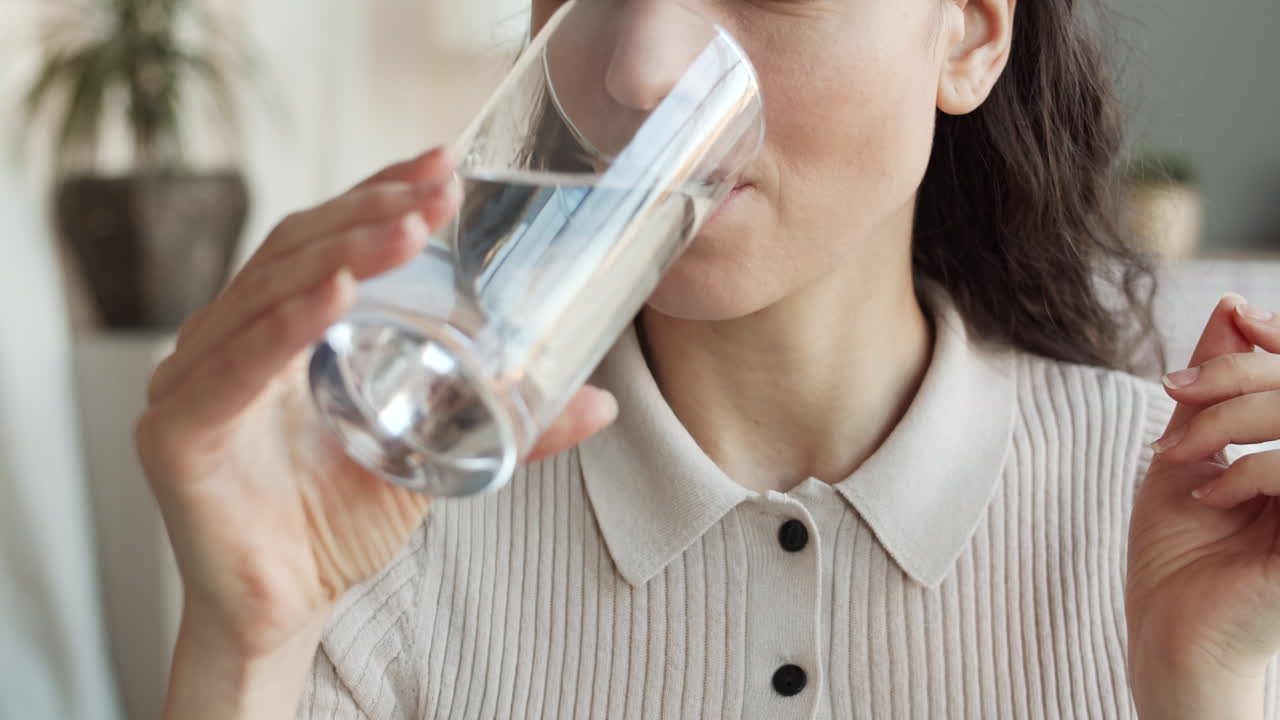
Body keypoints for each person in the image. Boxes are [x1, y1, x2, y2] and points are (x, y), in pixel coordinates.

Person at [136, 0, 1280, 717]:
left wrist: (1201, 701)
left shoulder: (1186, 517)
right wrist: (248, 644)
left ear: (970, 32)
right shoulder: (382, 517)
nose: (639, 67)